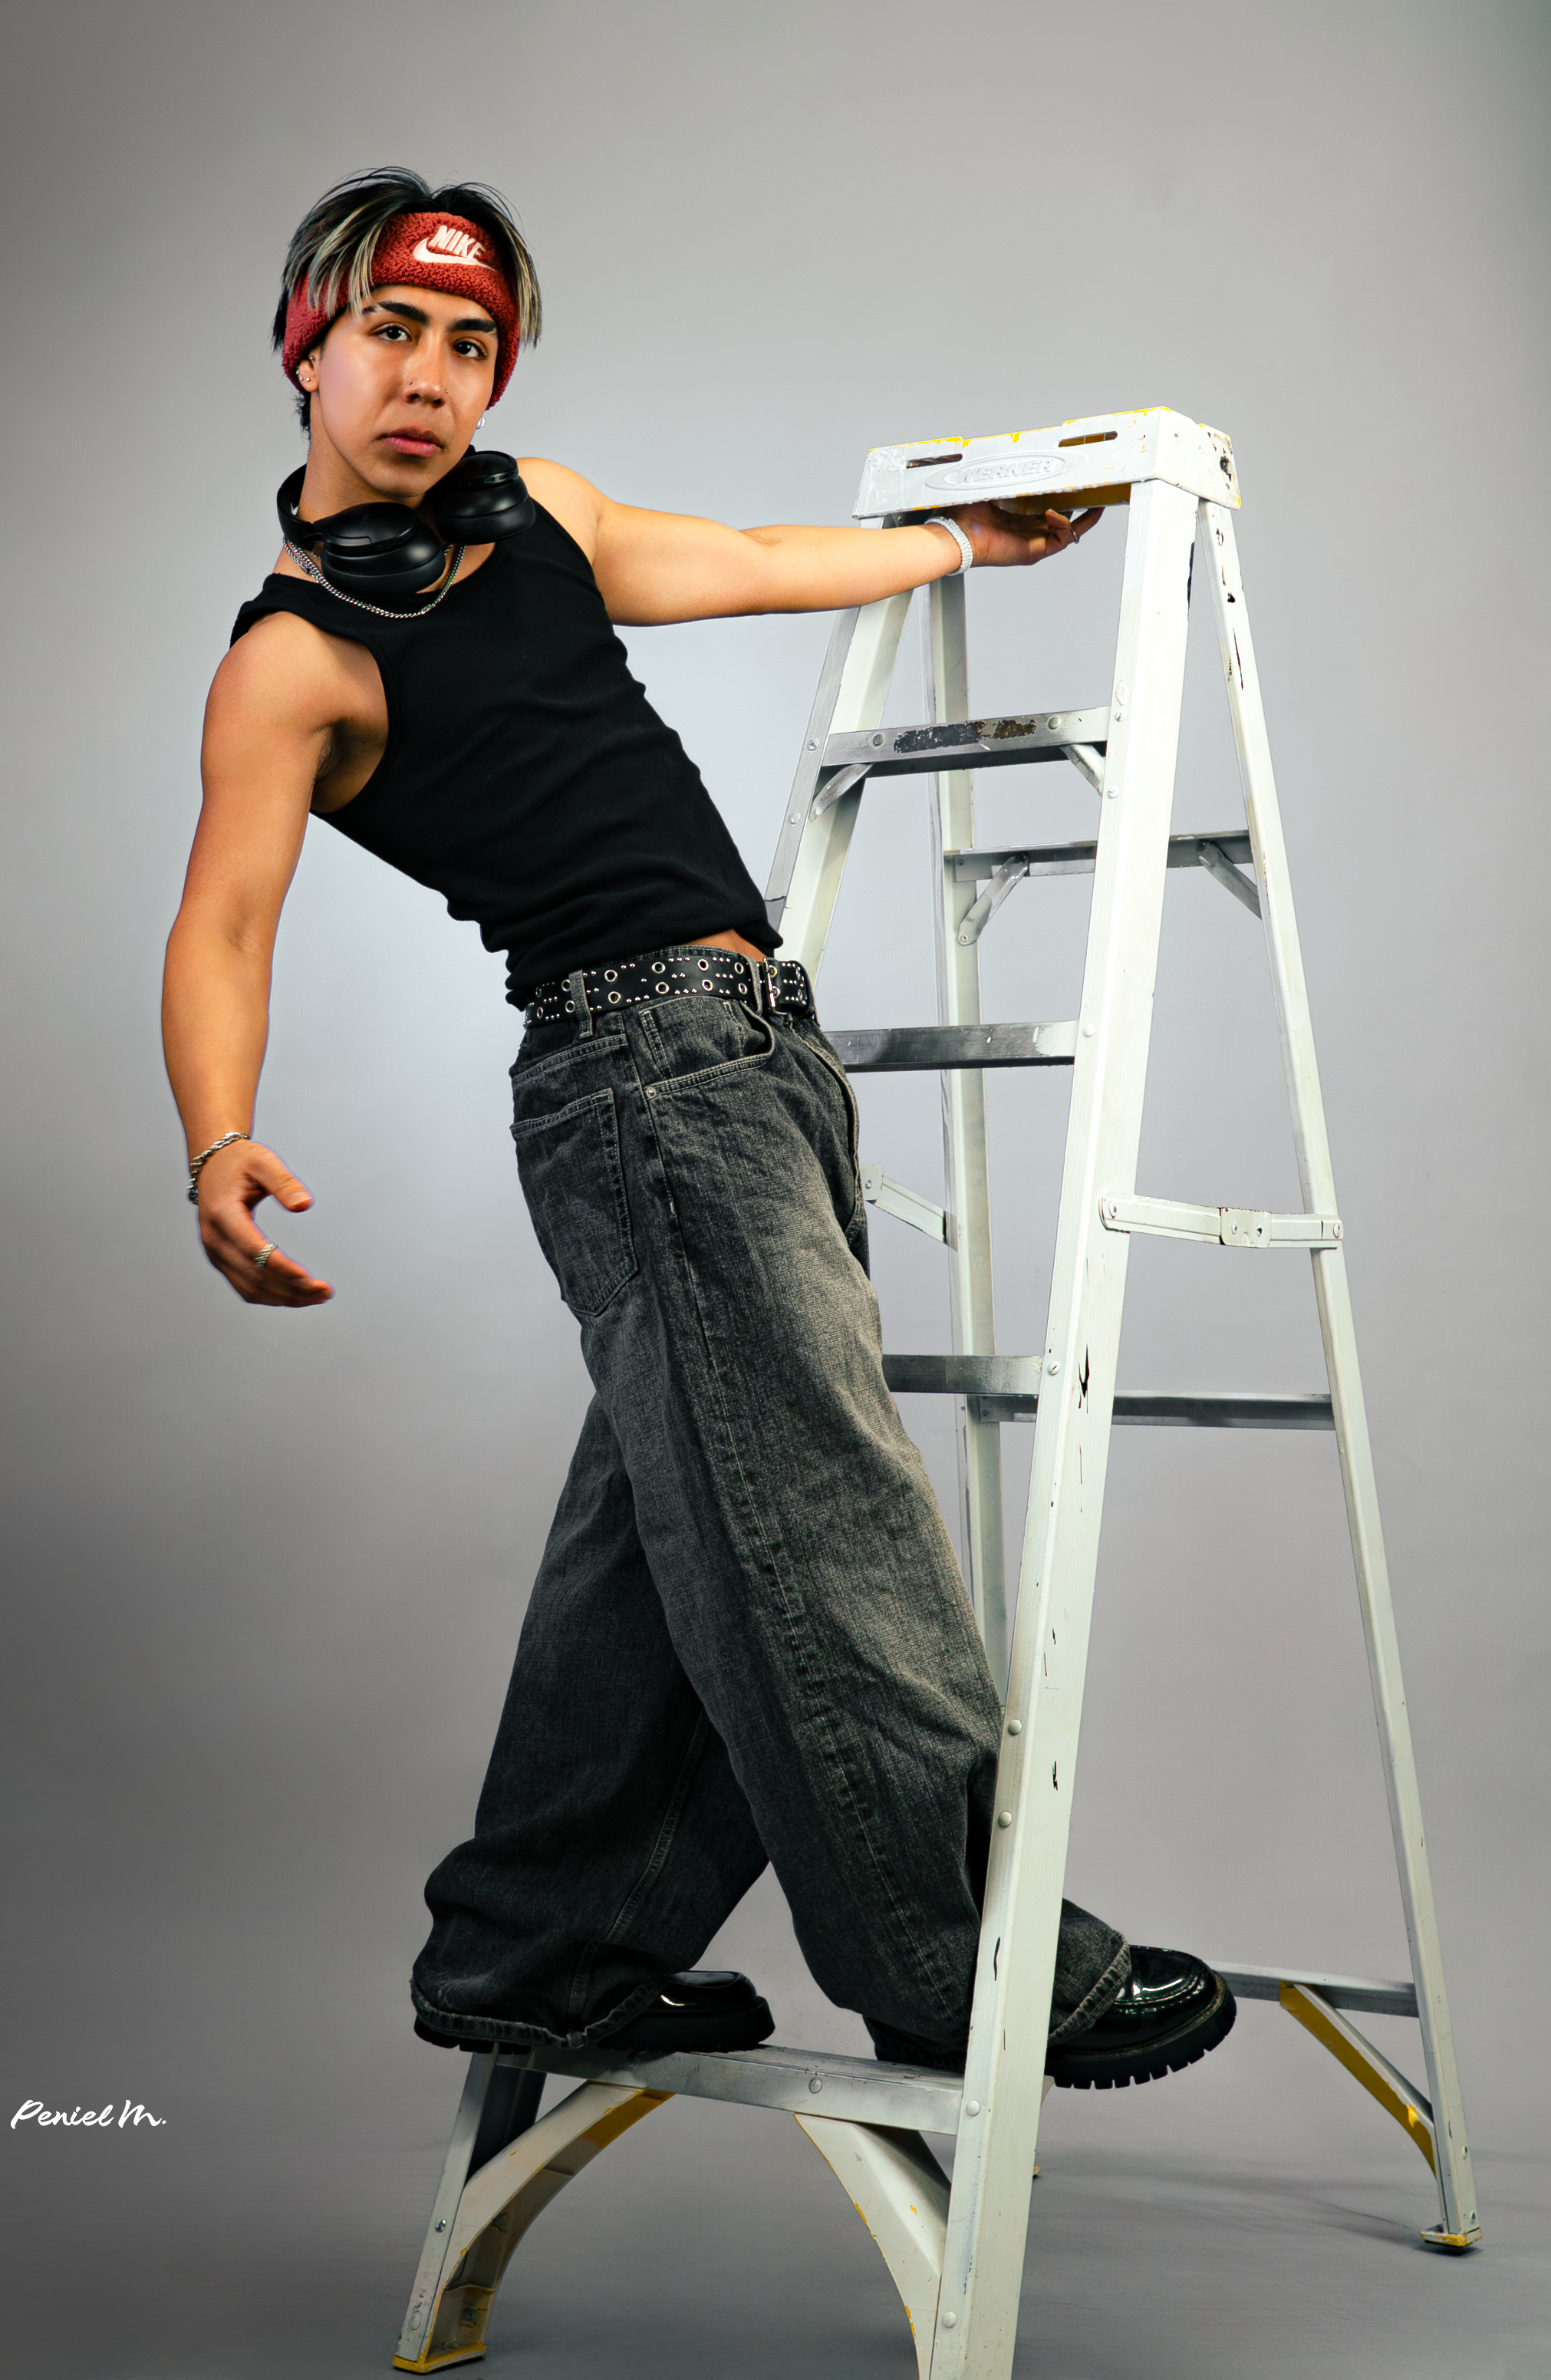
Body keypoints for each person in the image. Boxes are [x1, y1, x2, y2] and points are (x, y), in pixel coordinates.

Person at [162, 167, 1237, 2088]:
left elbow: (736, 557)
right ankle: (973, 1966)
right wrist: (216, 1141)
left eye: (469, 342)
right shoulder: (291, 657)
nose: (429, 377)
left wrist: (960, 548)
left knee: (681, 1529)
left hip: (748, 1055)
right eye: (391, 331)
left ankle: (541, 1940)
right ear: (303, 345)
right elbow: (223, 919)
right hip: (640, 1077)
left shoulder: (543, 512)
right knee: (816, 1512)